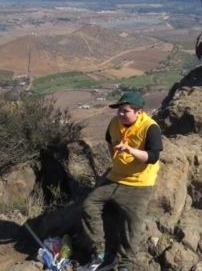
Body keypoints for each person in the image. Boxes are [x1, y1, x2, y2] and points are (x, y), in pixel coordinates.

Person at [79, 91, 163, 271]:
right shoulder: (114, 123)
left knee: (132, 223)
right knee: (89, 205)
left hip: (140, 182)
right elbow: (109, 140)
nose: (120, 114)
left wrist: (130, 150)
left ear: (138, 112)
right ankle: (99, 255)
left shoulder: (150, 127)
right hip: (115, 176)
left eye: (125, 111)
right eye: (119, 110)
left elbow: (153, 156)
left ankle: (125, 264)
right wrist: (116, 159)